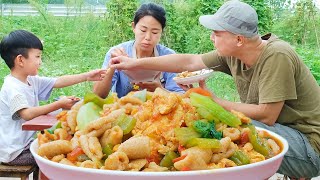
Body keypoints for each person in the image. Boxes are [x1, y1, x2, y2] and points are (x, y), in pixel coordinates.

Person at [110, 0, 320, 178]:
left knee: (225, 128)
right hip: (284, 132)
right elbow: (189, 62)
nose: (211, 38)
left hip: (309, 145)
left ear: (239, 39)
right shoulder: (234, 53)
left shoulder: (276, 55)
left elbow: (267, 116)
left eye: (217, 33)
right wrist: (133, 63)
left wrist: (214, 101)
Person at [0, 30, 106, 166]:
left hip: (25, 145)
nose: (40, 62)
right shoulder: (13, 87)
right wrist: (58, 104)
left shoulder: (30, 80)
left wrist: (87, 76)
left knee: (61, 146)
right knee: (58, 156)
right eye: (37, 57)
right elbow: (26, 114)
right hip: (14, 152)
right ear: (20, 60)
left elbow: (57, 81)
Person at [93, 2, 184, 98]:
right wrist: (111, 67)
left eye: (155, 32)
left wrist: (160, 90)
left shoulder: (169, 57)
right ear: (134, 27)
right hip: (125, 110)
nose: (148, 37)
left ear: (162, 32)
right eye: (143, 31)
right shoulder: (117, 53)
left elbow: (181, 97)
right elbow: (97, 95)